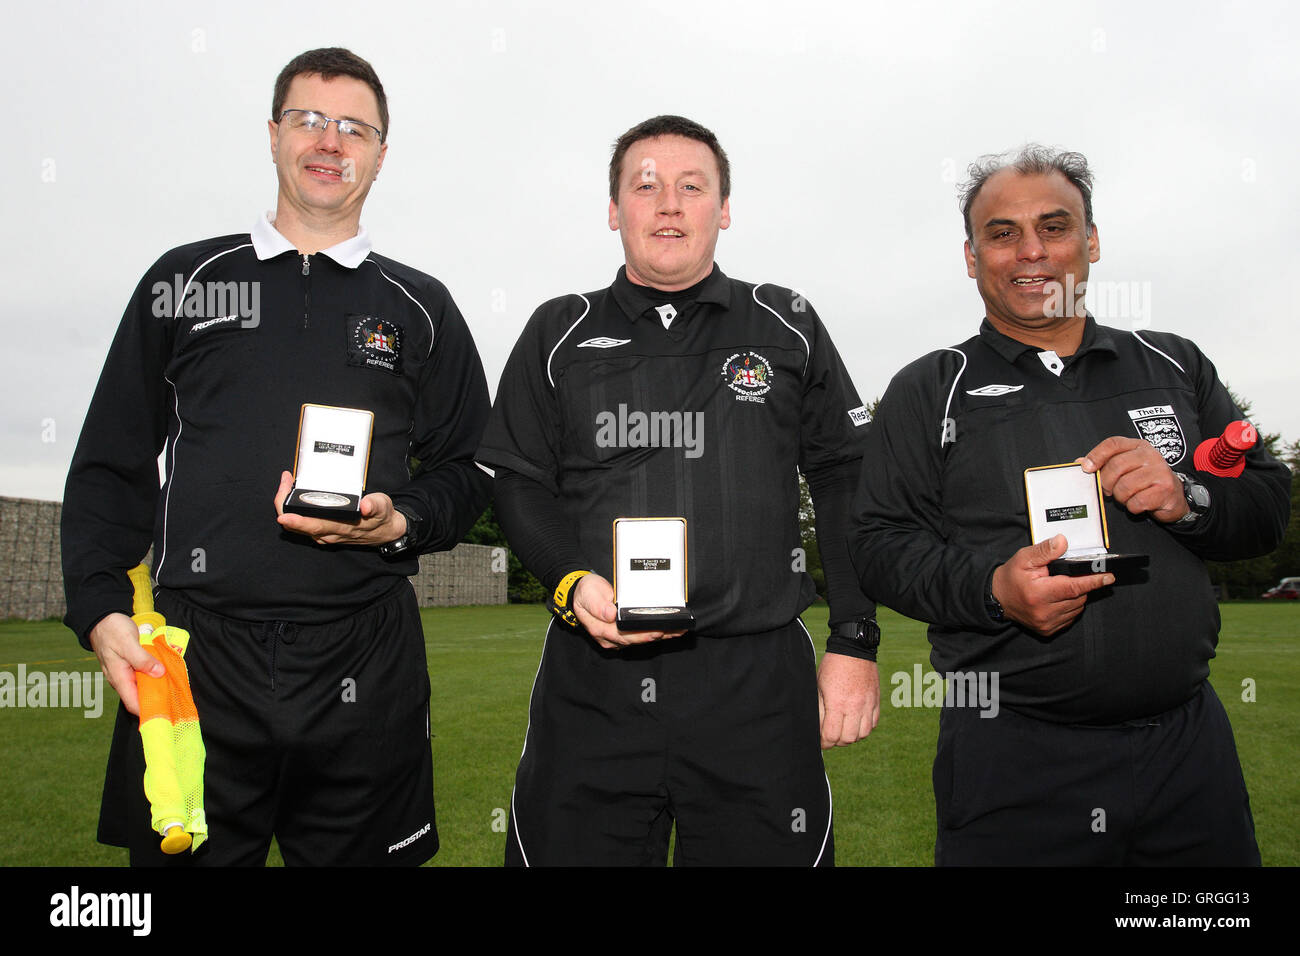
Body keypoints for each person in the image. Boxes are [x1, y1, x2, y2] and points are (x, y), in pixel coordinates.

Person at [61, 48, 491, 866]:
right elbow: (112, 460)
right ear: (272, 134)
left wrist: (401, 521)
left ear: (380, 153)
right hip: (197, 656)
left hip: (366, 655)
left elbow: (471, 470)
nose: (330, 141)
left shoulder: (422, 306)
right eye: (309, 120)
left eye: (353, 127)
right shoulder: (184, 280)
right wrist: (96, 604)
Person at [849, 145, 1291, 865]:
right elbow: (879, 546)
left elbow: (1268, 506)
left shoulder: (1175, 363)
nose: (1031, 251)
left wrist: (1190, 498)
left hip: (1187, 752)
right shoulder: (931, 388)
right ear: (971, 256)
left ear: (1090, 241)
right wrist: (993, 590)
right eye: (1002, 233)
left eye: (1055, 227)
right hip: (1010, 759)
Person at [477, 115, 881, 866]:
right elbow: (520, 483)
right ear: (613, 210)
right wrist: (569, 582)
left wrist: (855, 639)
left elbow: (843, 475)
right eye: (646, 185)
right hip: (591, 680)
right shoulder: (559, 331)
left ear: (723, 208)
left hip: (755, 683)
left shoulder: (785, 323)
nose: (669, 203)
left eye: (692, 186)